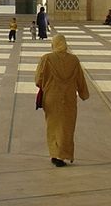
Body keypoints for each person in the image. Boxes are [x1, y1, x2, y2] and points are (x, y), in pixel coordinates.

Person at [35, 34, 90, 167]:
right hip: (68, 98)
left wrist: (45, 85)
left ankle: (55, 154)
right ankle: (63, 154)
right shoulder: (74, 60)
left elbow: (38, 79)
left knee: (53, 126)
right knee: (67, 127)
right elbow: (80, 79)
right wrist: (84, 94)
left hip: (51, 98)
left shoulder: (46, 59)